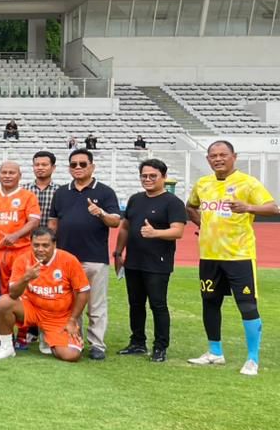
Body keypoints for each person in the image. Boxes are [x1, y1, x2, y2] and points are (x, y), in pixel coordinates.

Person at [184, 140, 277, 376]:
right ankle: (214, 352)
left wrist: (247, 207)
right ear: (208, 160)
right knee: (210, 302)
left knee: (246, 305)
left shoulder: (248, 183)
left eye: (223, 154)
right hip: (209, 255)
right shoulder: (203, 184)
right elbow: (190, 206)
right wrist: (202, 225)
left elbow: (273, 208)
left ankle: (252, 359)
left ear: (234, 156)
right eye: (213, 155)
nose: (218, 159)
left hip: (239, 256)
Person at [47, 148, 120, 360]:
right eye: (73, 164)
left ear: (92, 166)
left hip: (94, 258)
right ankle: (73, 339)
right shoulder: (61, 192)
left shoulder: (105, 192)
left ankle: (97, 344)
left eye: (82, 164)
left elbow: (115, 221)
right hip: (66, 258)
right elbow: (54, 223)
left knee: (95, 304)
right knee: (69, 303)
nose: (78, 168)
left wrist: (101, 213)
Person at [114, 159, 186, 362]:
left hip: (158, 262)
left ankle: (160, 346)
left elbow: (178, 231)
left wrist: (155, 233)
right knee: (135, 304)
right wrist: (118, 252)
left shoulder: (172, 202)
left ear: (163, 177)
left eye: (153, 176)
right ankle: (137, 342)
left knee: (158, 304)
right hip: (133, 261)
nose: (148, 179)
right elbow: (126, 227)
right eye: (144, 176)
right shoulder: (135, 199)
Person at [0, 227, 91, 362]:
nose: (40, 249)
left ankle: (49, 339)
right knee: (3, 302)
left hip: (58, 317)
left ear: (54, 245)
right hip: (32, 309)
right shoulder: (23, 260)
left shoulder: (69, 260)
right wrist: (26, 278)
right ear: (31, 244)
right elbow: (13, 294)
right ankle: (6, 347)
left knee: (71, 355)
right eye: (36, 245)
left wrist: (72, 321)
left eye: (45, 245)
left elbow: (83, 291)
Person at [0, 161, 42, 297]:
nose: (7, 176)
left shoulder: (28, 196)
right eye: (4, 173)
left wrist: (15, 235)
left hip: (21, 251)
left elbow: (34, 222)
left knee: (21, 292)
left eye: (12, 173)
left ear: (19, 176)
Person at [25, 150, 60, 218]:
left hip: (52, 228)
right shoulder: (23, 190)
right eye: (36, 165)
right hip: (28, 228)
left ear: (53, 167)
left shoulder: (60, 191)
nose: (40, 168)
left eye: (44, 165)